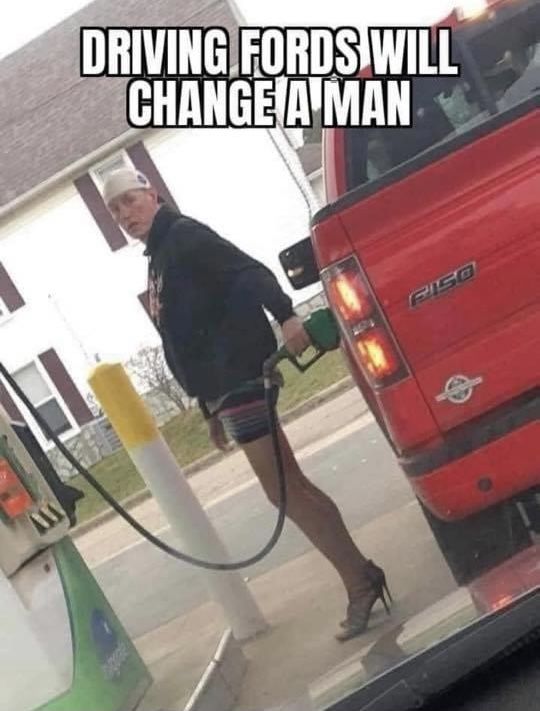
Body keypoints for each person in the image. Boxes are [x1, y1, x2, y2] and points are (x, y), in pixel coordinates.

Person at [102, 167, 390, 641]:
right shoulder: (159, 257)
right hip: (224, 388)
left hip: (240, 377)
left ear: (152, 195)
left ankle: (360, 579)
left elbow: (248, 271)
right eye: (115, 210)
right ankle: (361, 575)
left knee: (285, 492)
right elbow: (185, 334)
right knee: (290, 487)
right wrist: (206, 406)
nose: (123, 215)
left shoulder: (186, 237)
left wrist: (287, 315)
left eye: (130, 201)